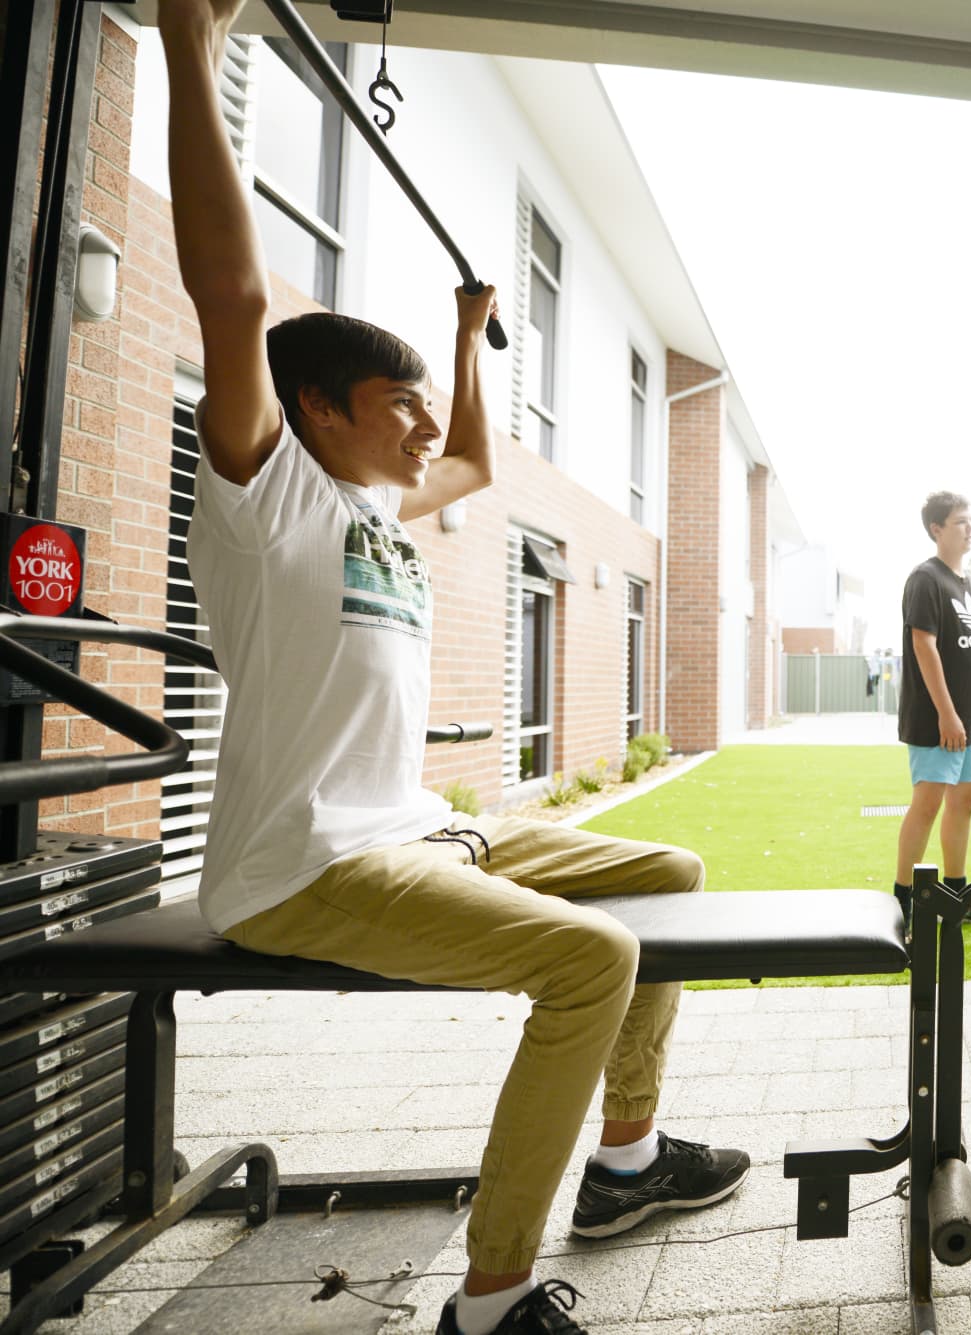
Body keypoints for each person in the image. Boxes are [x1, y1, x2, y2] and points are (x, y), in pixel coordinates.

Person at [159, 6, 747, 1333]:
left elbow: (477, 463)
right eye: (399, 404)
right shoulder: (268, 493)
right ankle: (487, 1306)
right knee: (593, 959)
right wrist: (194, 46)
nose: (426, 428)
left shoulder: (378, 507)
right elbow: (237, 300)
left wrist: (472, 337)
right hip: (303, 864)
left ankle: (628, 1163)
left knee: (669, 875)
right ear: (314, 410)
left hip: (425, 838)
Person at [893, 492, 971, 926]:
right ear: (937, 529)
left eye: (970, 521)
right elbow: (924, 646)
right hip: (936, 721)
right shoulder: (925, 580)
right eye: (960, 522)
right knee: (927, 804)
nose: (969, 528)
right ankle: (903, 901)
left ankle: (958, 897)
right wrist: (946, 713)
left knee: (965, 802)